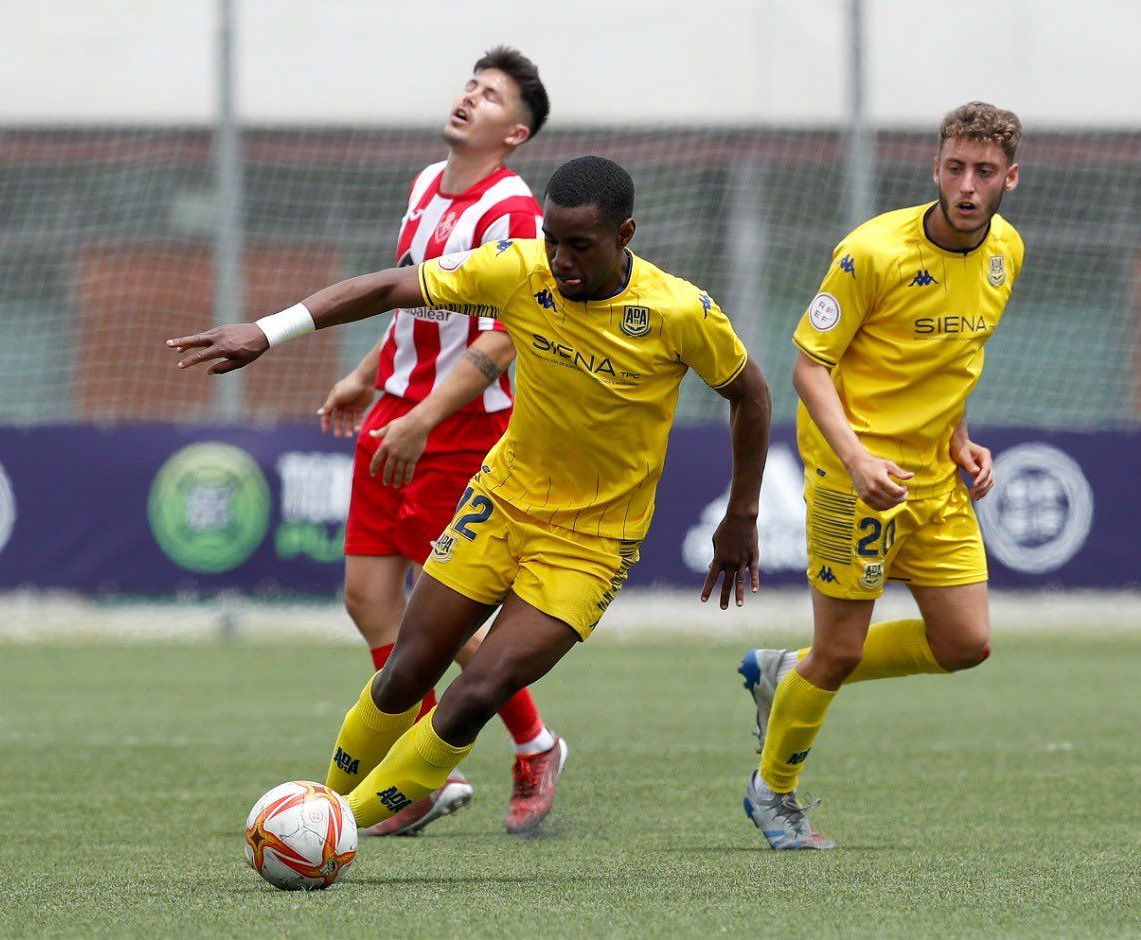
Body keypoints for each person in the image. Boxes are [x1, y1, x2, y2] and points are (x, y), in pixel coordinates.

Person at [167, 155, 771, 838]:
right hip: (501, 505)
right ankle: (320, 804)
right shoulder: (520, 270)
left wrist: (741, 514)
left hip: (591, 544)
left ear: (624, 234)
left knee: (476, 691)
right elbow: (391, 288)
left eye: (582, 245)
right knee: (403, 674)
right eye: (552, 239)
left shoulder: (678, 311)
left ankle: (333, 831)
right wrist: (268, 331)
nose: (561, 259)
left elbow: (750, 394)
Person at [738, 102, 1024, 849]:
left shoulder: (1006, 253)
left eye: (984, 172)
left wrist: (962, 437)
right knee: (841, 652)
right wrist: (858, 458)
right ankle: (774, 794)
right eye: (955, 168)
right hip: (851, 476)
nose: (967, 185)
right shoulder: (872, 253)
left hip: (933, 479)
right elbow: (809, 366)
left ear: (1009, 179)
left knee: (966, 644)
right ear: (935, 169)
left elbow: (955, 358)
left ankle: (783, 672)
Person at [315, 46, 563, 837]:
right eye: (470, 86)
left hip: (459, 430)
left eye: (489, 97)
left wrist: (424, 421)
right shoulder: (426, 182)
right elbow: (411, 301)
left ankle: (536, 745)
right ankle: (423, 780)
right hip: (396, 409)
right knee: (368, 596)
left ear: (515, 131)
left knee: (442, 616)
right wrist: (368, 375)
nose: (469, 100)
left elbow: (500, 343)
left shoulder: (514, 212)